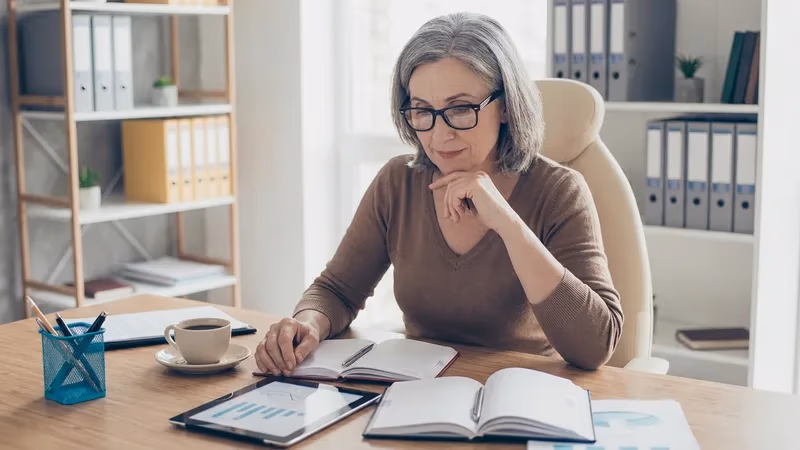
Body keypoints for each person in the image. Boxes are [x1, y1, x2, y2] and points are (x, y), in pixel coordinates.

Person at [255, 11, 623, 375]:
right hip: (417, 397)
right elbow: (337, 290)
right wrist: (307, 323)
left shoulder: (559, 191)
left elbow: (594, 346)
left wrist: (508, 224)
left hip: (518, 401)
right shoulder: (397, 182)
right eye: (422, 111)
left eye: (460, 109)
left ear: (507, 106)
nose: (439, 135)